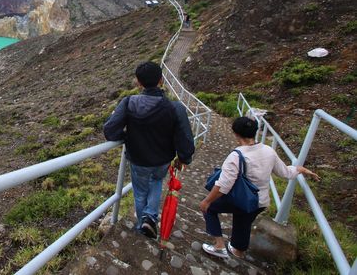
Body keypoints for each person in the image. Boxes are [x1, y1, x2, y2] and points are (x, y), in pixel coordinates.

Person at [199, 116, 320, 259]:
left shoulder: (236, 156)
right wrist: (301, 169)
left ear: (236, 133)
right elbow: (285, 172)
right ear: (254, 132)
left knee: (210, 208)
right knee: (243, 221)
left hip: (242, 200)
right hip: (259, 202)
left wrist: (207, 201)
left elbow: (223, 185)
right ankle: (238, 251)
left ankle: (219, 246)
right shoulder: (269, 151)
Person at [104, 61, 195, 239]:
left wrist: (126, 137)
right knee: (156, 183)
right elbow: (185, 138)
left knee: (140, 193)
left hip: (138, 160)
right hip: (162, 160)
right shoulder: (175, 107)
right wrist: (184, 158)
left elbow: (110, 130)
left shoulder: (129, 102)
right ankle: (150, 218)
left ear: (138, 82)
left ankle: (143, 224)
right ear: (161, 80)